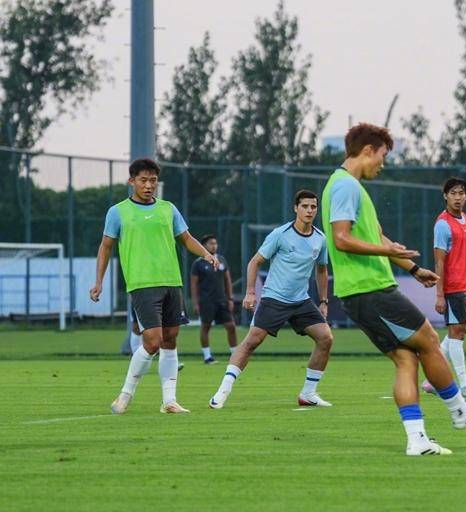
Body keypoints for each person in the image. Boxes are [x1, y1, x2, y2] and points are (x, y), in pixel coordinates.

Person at [322, 123, 466, 456]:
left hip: (358, 293)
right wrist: (385, 251)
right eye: (383, 156)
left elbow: (378, 238)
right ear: (367, 150)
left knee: (406, 360)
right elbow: (341, 239)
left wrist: (413, 269)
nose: (383, 164)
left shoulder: (347, 187)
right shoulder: (345, 186)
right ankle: (460, 410)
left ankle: (417, 440)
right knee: (429, 340)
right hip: (370, 289)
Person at [90, 157, 218, 414]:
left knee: (170, 339)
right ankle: (125, 395)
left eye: (153, 180)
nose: (149, 185)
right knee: (152, 341)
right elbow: (105, 247)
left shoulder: (168, 209)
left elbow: (186, 238)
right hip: (142, 284)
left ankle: (169, 401)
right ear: (132, 181)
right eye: (143, 180)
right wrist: (99, 281)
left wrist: (205, 253)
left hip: (172, 281)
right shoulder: (118, 212)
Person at [209, 190, 334, 409]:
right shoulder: (280, 234)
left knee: (326, 338)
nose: (309, 210)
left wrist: (323, 301)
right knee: (251, 342)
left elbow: (322, 270)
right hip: (274, 298)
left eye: (313, 207)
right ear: (296, 208)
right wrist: (250, 292)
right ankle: (222, 391)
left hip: (301, 301)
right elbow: (255, 262)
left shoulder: (320, 238)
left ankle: (308, 394)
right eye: (305, 206)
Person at [423, 177, 466, 398]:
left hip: (465, 285)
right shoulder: (442, 224)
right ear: (445, 196)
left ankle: (431, 381)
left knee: (458, 331)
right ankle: (464, 384)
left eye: (461, 193)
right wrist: (439, 294)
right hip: (452, 287)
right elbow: (439, 261)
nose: (458, 197)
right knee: (457, 333)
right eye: (453, 193)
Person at [190, 234, 238, 364]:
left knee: (231, 326)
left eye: (215, 243)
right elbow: (194, 284)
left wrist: (230, 298)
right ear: (204, 246)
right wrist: (195, 303)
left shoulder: (221, 259)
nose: (214, 246)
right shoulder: (198, 263)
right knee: (205, 327)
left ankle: (235, 355)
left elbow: (227, 280)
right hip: (206, 301)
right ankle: (207, 357)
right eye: (211, 243)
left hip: (221, 300)